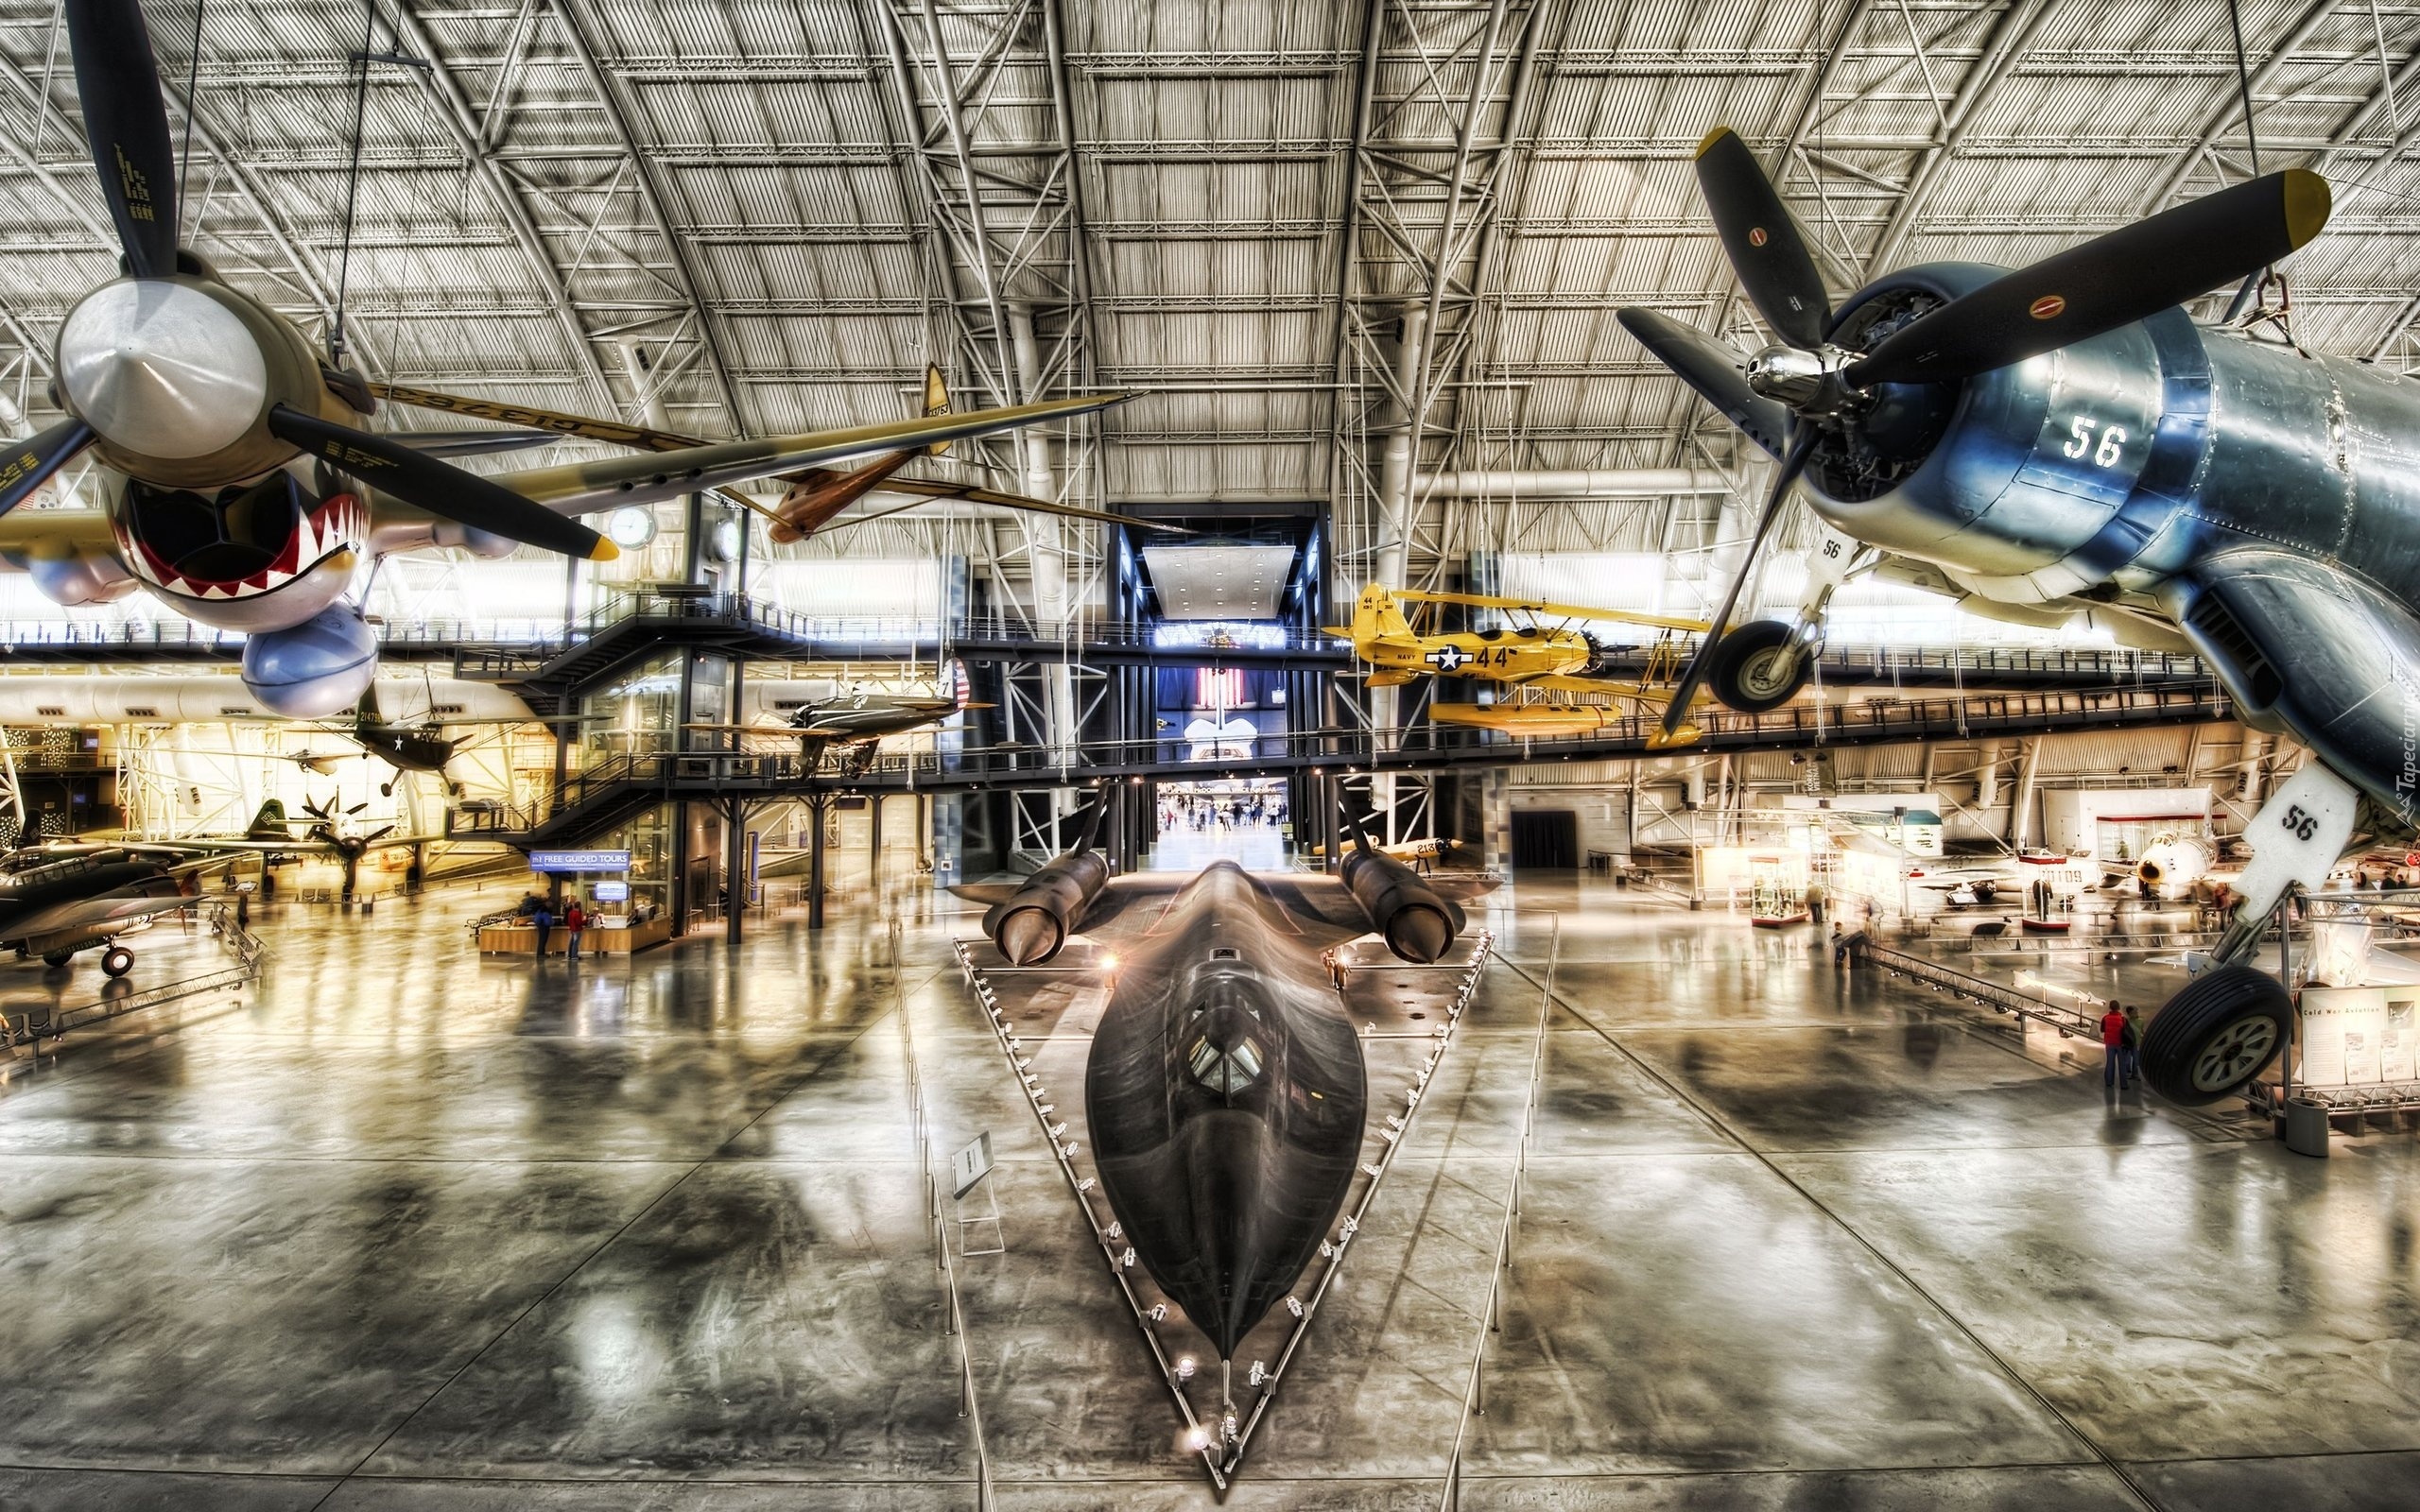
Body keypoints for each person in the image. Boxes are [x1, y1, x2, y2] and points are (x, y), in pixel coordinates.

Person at [2100, 1001, 2134, 1090]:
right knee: (2122, 1064)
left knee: (2110, 1063)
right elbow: (2127, 1032)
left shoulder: (2105, 1018)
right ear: (2118, 1008)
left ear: (2110, 1008)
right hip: (2120, 1044)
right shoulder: (2123, 1019)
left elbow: (2102, 1029)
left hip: (2109, 1043)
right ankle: (2124, 1084)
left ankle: (2109, 1082)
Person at [564, 898, 587, 962]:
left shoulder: (571, 913)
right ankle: (574, 955)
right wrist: (585, 921)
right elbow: (579, 922)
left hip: (572, 929)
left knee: (571, 942)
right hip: (577, 929)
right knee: (575, 943)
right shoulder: (577, 913)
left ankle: (570, 955)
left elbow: (568, 921)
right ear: (579, 906)